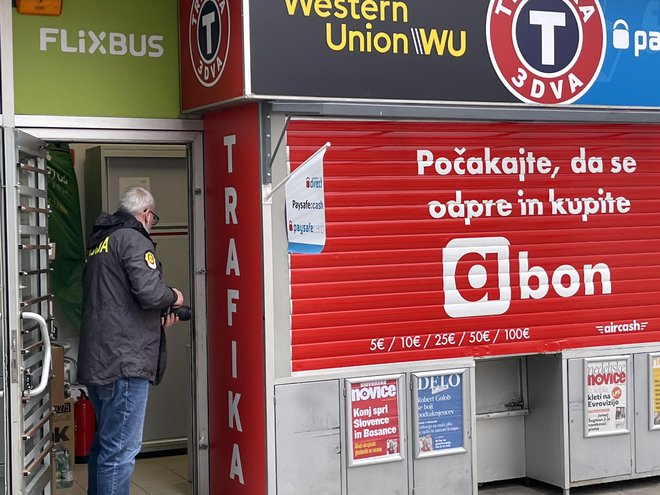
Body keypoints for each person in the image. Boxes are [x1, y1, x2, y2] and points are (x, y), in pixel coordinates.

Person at [77, 186, 184, 495]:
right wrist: (174, 296)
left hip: (100, 359)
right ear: (146, 214)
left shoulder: (102, 243)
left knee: (105, 447)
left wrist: (155, 323)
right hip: (124, 362)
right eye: (154, 218)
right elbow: (150, 293)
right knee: (121, 451)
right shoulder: (134, 239)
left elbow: (116, 304)